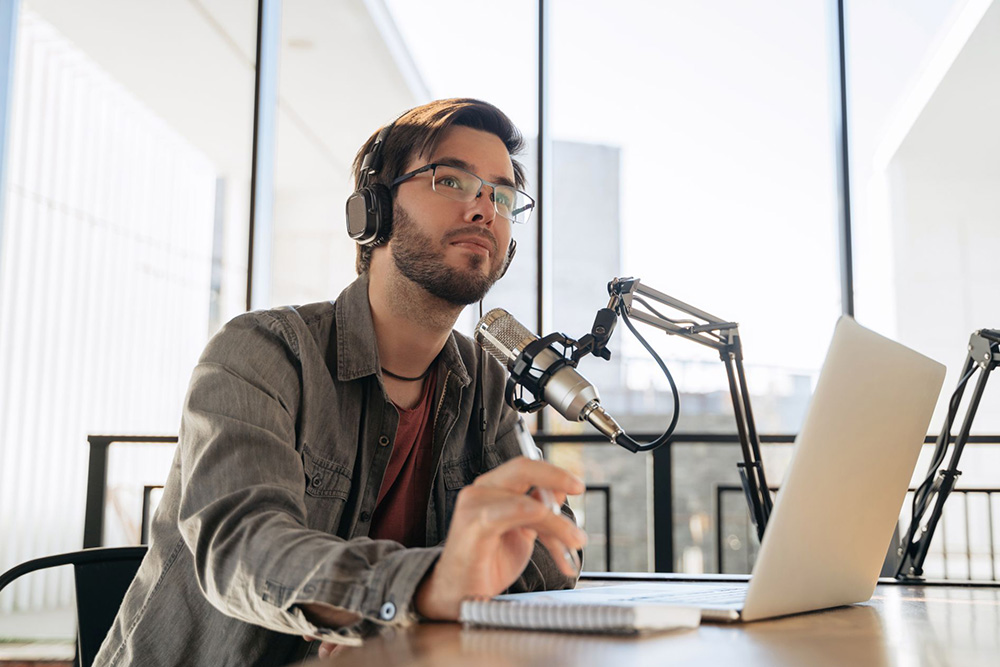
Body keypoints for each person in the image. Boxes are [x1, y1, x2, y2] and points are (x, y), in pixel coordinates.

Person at [95, 98, 586, 667]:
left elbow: (552, 548)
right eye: (451, 179)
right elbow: (242, 548)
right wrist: (419, 588)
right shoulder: (262, 352)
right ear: (371, 212)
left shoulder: (484, 381)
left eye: (501, 194)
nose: (484, 209)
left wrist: (414, 606)